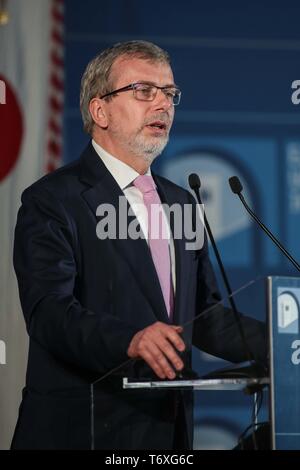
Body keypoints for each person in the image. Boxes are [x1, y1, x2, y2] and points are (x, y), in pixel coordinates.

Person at [11, 40, 266, 450]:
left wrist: (285, 343)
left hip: (167, 434)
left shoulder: (182, 201)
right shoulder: (52, 200)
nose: (163, 104)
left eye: (169, 94)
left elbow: (204, 316)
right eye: (144, 91)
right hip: (85, 430)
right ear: (100, 111)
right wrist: (130, 339)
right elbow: (48, 313)